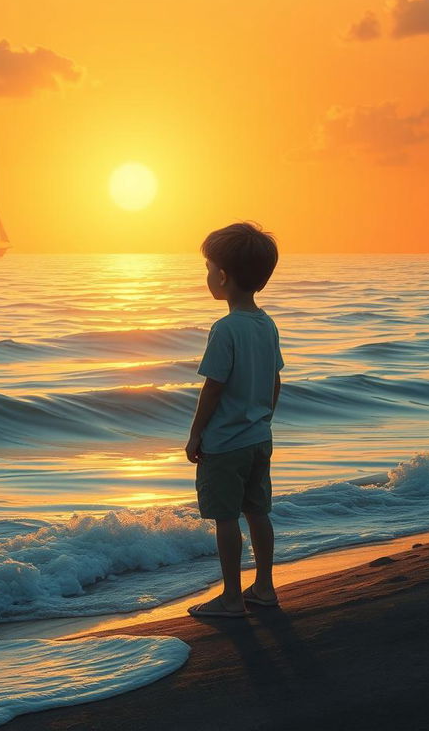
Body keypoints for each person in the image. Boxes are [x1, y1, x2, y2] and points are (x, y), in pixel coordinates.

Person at [185, 221, 284, 618]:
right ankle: (264, 587)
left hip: (225, 444)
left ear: (222, 276)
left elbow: (213, 387)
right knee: (258, 512)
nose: (207, 275)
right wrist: (264, 420)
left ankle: (230, 597)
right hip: (259, 438)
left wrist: (196, 435)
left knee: (225, 518)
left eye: (208, 268)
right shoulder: (266, 323)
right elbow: (274, 380)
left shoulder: (225, 329)